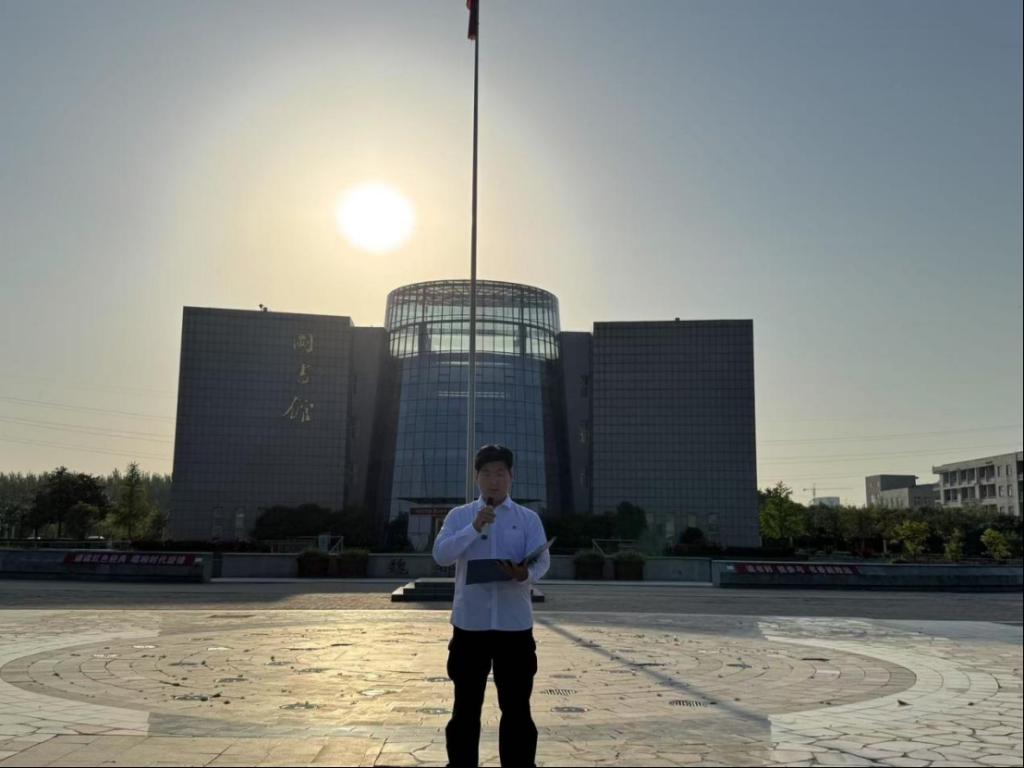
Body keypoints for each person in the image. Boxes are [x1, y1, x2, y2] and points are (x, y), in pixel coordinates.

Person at [432, 444, 551, 768]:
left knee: (517, 708)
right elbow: (442, 555)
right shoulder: (460, 516)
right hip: (470, 626)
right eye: (486, 473)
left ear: (511, 476)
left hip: (514, 627)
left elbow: (542, 560)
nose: (493, 481)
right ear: (477, 478)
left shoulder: (527, 518)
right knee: (465, 707)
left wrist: (525, 574)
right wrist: (474, 528)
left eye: (500, 473)